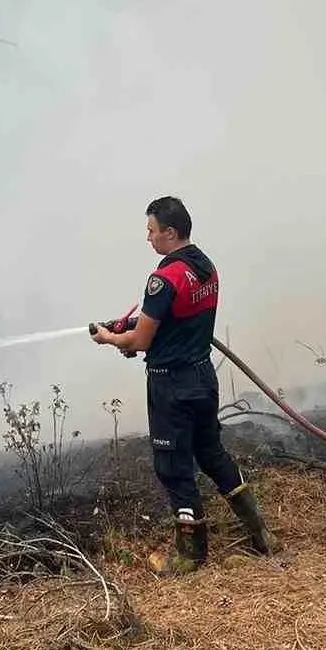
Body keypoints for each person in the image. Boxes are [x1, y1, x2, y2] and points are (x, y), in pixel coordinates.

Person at [91, 196, 275, 571]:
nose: (148, 238)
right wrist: (132, 328)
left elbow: (141, 341)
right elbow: (173, 322)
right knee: (212, 454)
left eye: (151, 231)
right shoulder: (205, 267)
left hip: (170, 385)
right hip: (202, 376)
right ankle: (261, 534)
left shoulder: (162, 279)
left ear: (170, 232)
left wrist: (111, 338)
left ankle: (189, 556)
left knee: (173, 466)